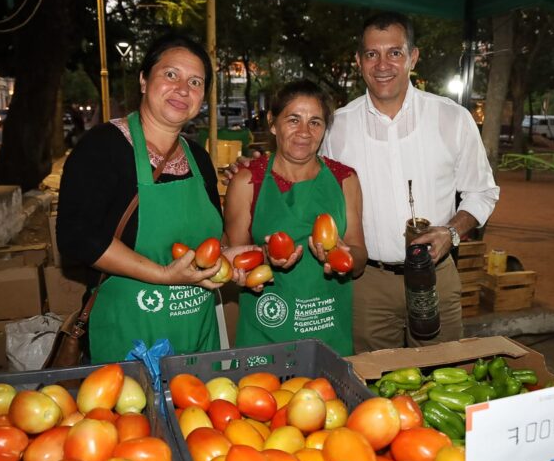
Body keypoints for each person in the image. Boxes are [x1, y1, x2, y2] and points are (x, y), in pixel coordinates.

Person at [57, 31, 254, 363]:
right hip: (128, 338)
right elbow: (77, 236)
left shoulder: (198, 158)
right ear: (144, 80)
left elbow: (207, 240)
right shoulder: (102, 147)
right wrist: (163, 275)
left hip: (197, 336)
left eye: (195, 82)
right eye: (171, 74)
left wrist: (226, 257)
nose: (183, 89)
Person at [321, 12, 500, 352]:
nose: (382, 65)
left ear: (413, 57)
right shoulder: (337, 127)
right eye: (372, 54)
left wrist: (451, 232)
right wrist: (253, 170)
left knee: (442, 370)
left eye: (395, 52)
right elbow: (312, 186)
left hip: (436, 275)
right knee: (372, 378)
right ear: (359, 61)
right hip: (368, 283)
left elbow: (482, 192)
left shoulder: (452, 118)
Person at [224, 80, 367, 356]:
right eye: (293, 120)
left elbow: (360, 257)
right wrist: (263, 256)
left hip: (328, 331)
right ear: (273, 122)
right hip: (266, 331)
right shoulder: (247, 181)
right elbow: (234, 261)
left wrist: (344, 257)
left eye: (315, 122)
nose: (304, 132)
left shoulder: (345, 180)